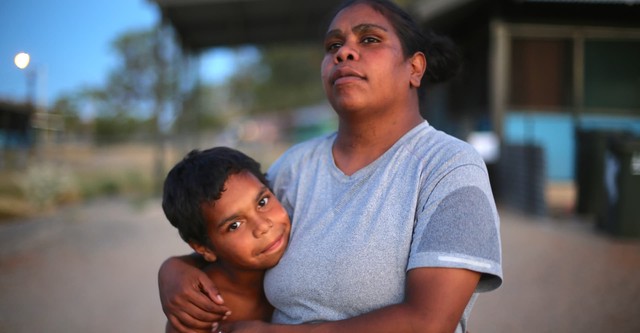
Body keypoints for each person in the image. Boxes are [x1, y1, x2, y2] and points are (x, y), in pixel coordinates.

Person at [159, 0, 503, 332]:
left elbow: (428, 323)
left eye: (369, 39)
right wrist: (175, 270)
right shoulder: (296, 166)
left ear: (414, 68)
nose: (343, 52)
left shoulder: (448, 167)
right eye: (333, 45)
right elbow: (232, 237)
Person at [161, 146, 291, 333]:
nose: (262, 227)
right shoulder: (200, 306)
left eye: (262, 202)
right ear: (204, 249)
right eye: (234, 225)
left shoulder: (301, 233)